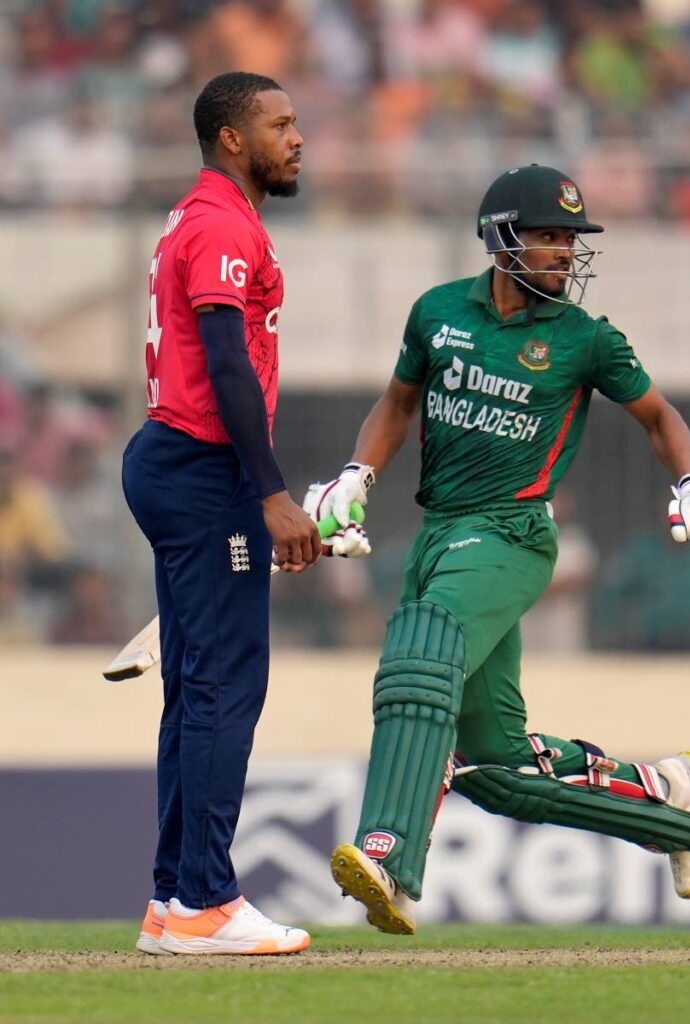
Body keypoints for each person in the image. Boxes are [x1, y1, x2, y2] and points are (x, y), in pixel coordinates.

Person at [307, 164, 690, 934]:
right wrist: (356, 473)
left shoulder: (583, 339)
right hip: (441, 532)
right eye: (546, 237)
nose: (562, 254)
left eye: (568, 241)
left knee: (420, 655)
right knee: (498, 767)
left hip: (512, 532)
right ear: (500, 237)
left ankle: (389, 856)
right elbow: (398, 402)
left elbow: (657, 415)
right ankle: (671, 801)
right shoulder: (438, 312)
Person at [122, 71, 321, 956]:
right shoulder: (219, 225)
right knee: (224, 685)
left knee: (192, 687)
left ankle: (173, 901)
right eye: (280, 124)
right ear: (233, 139)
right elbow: (228, 363)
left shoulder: (198, 218)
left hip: (180, 460)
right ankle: (205, 899)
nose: (297, 136)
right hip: (204, 468)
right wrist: (270, 492)